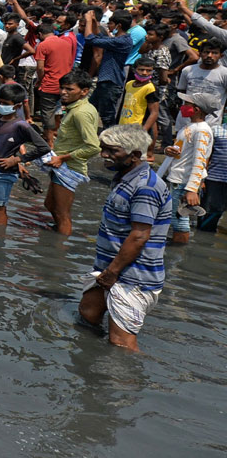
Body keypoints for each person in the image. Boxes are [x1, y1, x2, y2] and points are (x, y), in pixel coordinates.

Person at [78, 125, 171, 352]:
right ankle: (90, 367)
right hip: (112, 269)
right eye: (103, 149)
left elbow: (139, 236)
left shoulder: (145, 188)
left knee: (121, 343)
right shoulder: (125, 177)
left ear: (135, 156)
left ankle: (125, 383)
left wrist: (113, 272)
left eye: (112, 151)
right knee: (88, 312)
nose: (104, 156)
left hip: (132, 277)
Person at [0, 84, 48, 225]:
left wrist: (17, 160)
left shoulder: (21, 125)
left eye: (5, 104)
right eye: (0, 102)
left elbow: (43, 147)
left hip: (4, 172)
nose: (1, 105)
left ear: (17, 106)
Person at [43, 70, 101, 235]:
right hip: (61, 164)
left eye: (69, 89)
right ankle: (58, 234)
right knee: (50, 205)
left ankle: (60, 252)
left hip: (69, 167)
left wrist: (62, 157)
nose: (63, 92)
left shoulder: (81, 113)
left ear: (84, 91)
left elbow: (94, 147)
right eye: (62, 88)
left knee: (63, 214)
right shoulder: (76, 108)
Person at [161, 91, 215, 245]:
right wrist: (167, 151)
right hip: (178, 179)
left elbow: (200, 161)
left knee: (179, 220)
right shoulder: (191, 127)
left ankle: (178, 254)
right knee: (174, 217)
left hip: (184, 182)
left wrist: (192, 189)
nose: (182, 107)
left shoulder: (202, 130)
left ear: (197, 109)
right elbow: (184, 152)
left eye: (187, 104)